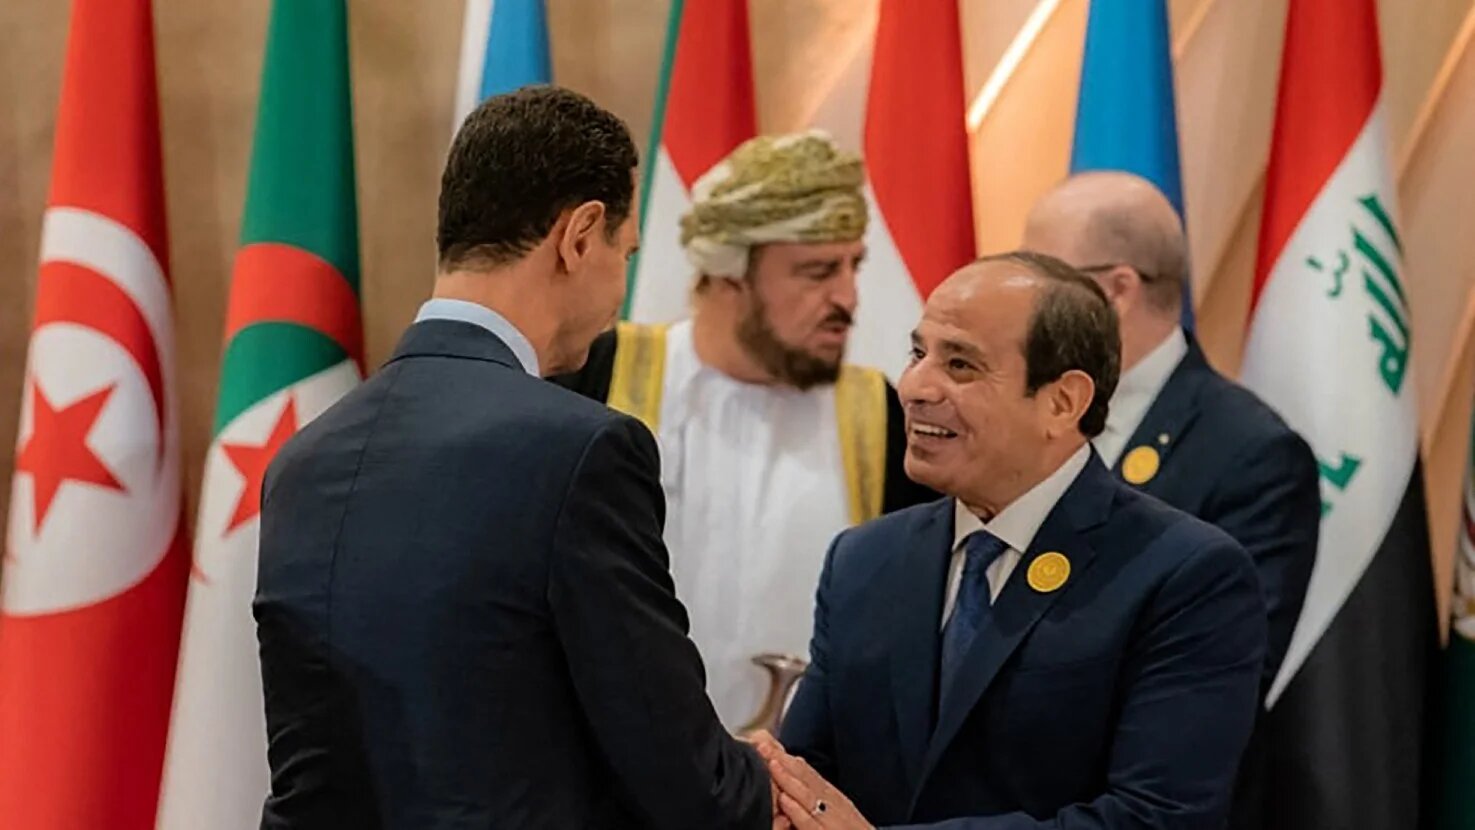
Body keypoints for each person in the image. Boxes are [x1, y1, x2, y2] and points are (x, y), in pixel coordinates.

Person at [254, 86, 771, 829]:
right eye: (624, 253)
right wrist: (779, 786)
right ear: (579, 236)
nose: (621, 290)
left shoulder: (301, 461)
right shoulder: (582, 451)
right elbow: (685, 778)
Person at [765, 252, 1267, 828]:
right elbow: (805, 778)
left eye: (960, 365)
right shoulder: (863, 558)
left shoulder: (1185, 574)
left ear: (1062, 402)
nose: (915, 386)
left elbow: (1156, 818)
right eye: (918, 354)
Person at [553, 130, 934, 727]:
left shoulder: (879, 413)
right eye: (816, 271)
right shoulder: (600, 377)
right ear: (730, 274)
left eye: (853, 266)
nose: (847, 297)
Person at [1020, 172, 1321, 828]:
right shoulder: (1020, 418)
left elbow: (1221, 678)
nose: (1024, 306)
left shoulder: (1252, 454)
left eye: (1043, 281)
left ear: (1116, 289)